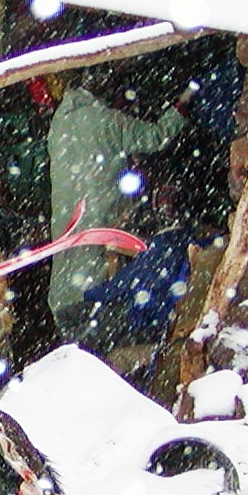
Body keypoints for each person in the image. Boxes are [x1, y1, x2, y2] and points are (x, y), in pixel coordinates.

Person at [47, 72, 184, 329]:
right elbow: (156, 137)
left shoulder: (59, 125)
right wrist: (181, 108)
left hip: (62, 286)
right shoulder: (106, 120)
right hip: (97, 277)